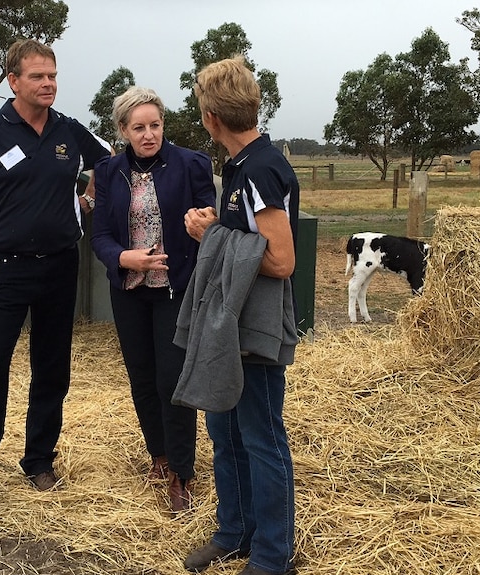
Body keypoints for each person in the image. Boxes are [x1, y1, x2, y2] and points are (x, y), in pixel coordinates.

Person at [0, 38, 112, 531]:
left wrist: (87, 201)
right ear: (13, 81)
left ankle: (39, 461)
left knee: (52, 368)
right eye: (37, 76)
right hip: (5, 269)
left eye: (52, 75)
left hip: (59, 267)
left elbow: (110, 162)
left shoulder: (69, 131)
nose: (48, 83)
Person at [179, 56, 299, 575]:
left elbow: (280, 260)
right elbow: (250, 238)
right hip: (229, 324)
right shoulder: (241, 167)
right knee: (224, 434)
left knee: (262, 439)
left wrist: (214, 237)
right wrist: (220, 226)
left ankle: (274, 557)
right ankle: (235, 533)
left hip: (256, 328)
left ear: (211, 118)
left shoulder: (261, 169)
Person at [90, 86, 216, 512]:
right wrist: (123, 257)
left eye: (155, 125)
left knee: (172, 381)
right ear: (123, 130)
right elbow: (101, 235)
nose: (149, 134)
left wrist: (206, 219)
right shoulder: (108, 172)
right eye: (139, 127)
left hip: (174, 290)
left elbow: (209, 219)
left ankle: (182, 472)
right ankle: (158, 456)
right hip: (129, 291)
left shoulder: (191, 164)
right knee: (142, 378)